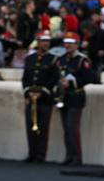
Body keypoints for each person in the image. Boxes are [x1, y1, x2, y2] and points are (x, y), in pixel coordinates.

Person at [55, 32, 96, 166]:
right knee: (66, 128)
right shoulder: (61, 59)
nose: (68, 46)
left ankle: (77, 157)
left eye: (71, 43)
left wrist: (72, 83)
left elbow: (90, 77)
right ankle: (69, 155)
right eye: (66, 43)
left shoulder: (82, 60)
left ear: (76, 45)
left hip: (76, 96)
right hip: (64, 96)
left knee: (72, 127)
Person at [22, 28, 60, 163]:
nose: (45, 44)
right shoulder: (30, 59)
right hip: (31, 98)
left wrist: (42, 92)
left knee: (43, 128)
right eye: (43, 41)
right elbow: (25, 78)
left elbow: (54, 79)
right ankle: (31, 152)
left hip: (44, 99)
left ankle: (40, 155)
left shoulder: (53, 60)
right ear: (37, 42)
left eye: (47, 41)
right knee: (30, 126)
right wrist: (28, 91)